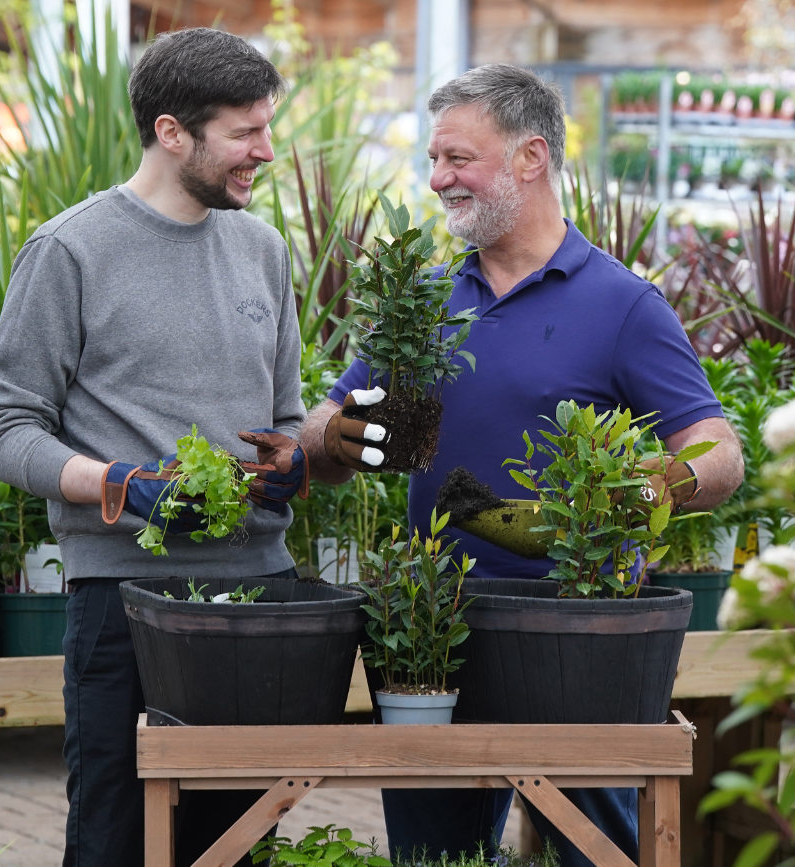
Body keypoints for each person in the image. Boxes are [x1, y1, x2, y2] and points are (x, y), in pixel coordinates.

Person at [302, 64, 743, 864]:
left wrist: (645, 488)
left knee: (595, 850)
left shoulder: (621, 305)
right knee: (433, 854)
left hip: (575, 634)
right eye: (434, 161)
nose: (438, 180)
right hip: (431, 632)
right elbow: (326, 430)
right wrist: (330, 436)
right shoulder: (422, 304)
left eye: (457, 158)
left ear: (531, 157)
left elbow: (718, 452)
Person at [0, 27, 308, 867]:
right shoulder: (71, 250)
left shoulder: (264, 252)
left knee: (240, 841)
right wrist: (120, 483)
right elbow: (7, 431)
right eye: (245, 132)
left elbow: (288, 413)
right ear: (172, 132)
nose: (265, 151)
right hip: (124, 600)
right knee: (115, 837)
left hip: (256, 599)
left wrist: (291, 463)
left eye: (267, 127)